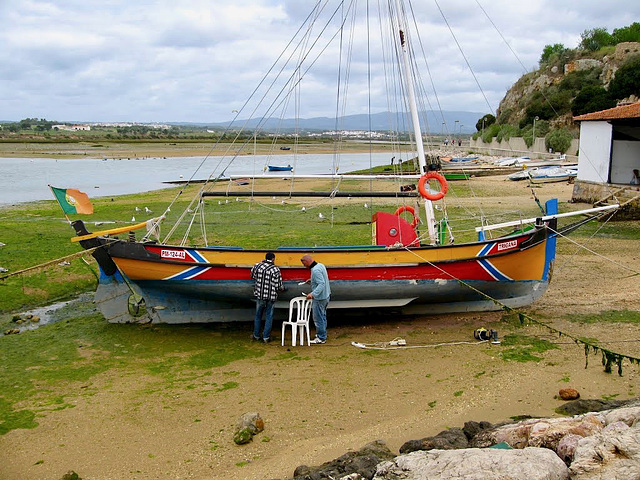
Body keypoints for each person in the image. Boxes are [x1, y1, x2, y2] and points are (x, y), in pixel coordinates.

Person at [251, 252, 284, 343]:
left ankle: (256, 335)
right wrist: (283, 289)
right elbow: (278, 286)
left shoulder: (257, 266)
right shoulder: (275, 269)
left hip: (260, 295)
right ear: (273, 259)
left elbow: (253, 276)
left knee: (258, 315)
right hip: (271, 296)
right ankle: (266, 337)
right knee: (269, 316)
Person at [300, 254, 331, 344]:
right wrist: (312, 280)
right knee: (323, 316)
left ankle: (321, 337)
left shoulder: (315, 270)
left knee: (318, 318)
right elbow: (322, 280)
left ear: (306, 261)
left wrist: (312, 294)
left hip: (320, 298)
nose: (304, 266)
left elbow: (321, 283)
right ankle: (323, 334)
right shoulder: (320, 265)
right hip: (326, 295)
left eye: (303, 264)